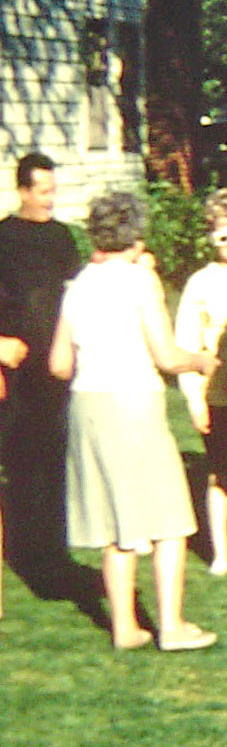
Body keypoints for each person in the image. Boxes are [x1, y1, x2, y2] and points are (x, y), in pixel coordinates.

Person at [49, 192, 216, 651]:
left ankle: (125, 627)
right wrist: (200, 361)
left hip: (86, 405)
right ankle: (173, 626)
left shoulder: (79, 284)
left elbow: (59, 364)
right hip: (132, 402)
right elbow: (166, 355)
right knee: (169, 520)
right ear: (136, 234)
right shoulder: (142, 282)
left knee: (115, 524)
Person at [0, 152, 80, 584]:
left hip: (57, 368)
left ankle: (54, 553)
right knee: (20, 461)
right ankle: (24, 552)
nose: (50, 200)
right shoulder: (3, 238)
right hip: (15, 370)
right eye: (43, 192)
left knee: (55, 460)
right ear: (24, 190)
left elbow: (73, 295)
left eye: (54, 191)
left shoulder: (62, 238)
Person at [175, 189, 227, 575]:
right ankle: (222, 552)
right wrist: (194, 399)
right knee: (220, 472)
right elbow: (187, 343)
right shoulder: (200, 283)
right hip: (219, 392)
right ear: (211, 238)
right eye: (223, 236)